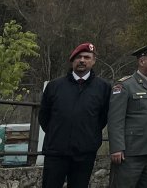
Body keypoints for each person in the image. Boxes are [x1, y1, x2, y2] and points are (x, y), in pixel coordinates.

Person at [40, 42, 112, 188]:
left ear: (93, 61)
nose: (82, 60)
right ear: (72, 60)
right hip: (56, 152)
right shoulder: (55, 86)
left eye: (87, 57)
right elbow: (44, 116)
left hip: (84, 153)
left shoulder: (103, 88)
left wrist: (88, 135)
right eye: (78, 57)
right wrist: (57, 133)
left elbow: (103, 117)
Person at [109, 42, 147, 188]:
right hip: (131, 153)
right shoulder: (125, 85)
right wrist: (116, 147)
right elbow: (116, 119)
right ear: (141, 61)